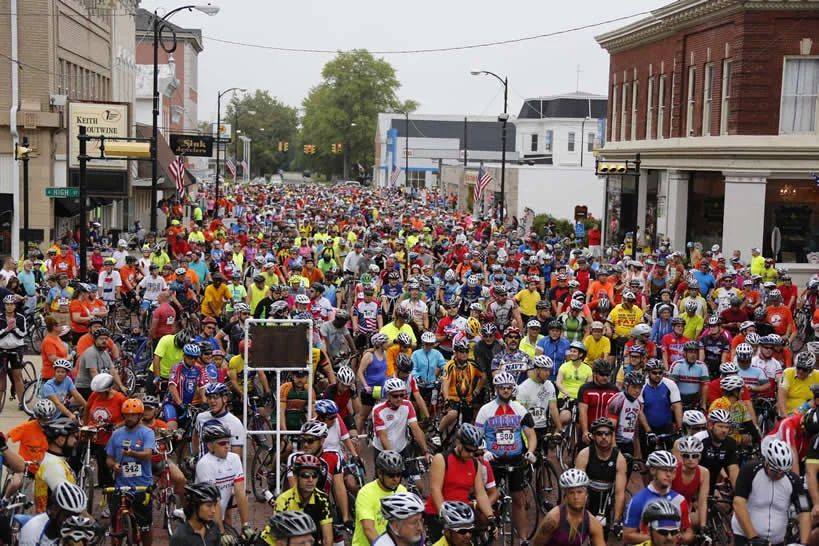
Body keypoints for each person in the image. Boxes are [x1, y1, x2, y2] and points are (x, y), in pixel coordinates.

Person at [475, 371, 538, 542]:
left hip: (515, 460)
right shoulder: (485, 410)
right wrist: (484, 451)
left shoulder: (519, 409)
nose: (505, 390)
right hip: (493, 461)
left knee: (518, 500)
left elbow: (531, 435)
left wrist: (530, 452)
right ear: (496, 389)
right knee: (489, 498)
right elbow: (476, 436)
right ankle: (484, 531)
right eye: (502, 388)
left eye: (508, 388)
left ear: (512, 389)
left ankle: (523, 539)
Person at [731, 438, 811, 546]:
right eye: (774, 471)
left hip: (776, 540)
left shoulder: (794, 480)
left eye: (783, 473)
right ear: (767, 461)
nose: (778, 475)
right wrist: (753, 537)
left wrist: (804, 543)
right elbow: (738, 503)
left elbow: (804, 511)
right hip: (746, 536)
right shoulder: (750, 470)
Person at [424, 424, 495, 542]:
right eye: (468, 450)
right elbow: (436, 490)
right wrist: (444, 515)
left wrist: (490, 517)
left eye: (474, 451)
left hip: (462, 518)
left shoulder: (475, 464)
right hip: (439, 513)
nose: (472, 454)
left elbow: (481, 493)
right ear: (458, 443)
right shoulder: (441, 459)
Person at [105, 398, 155, 546]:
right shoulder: (116, 434)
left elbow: (147, 454)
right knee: (115, 527)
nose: (130, 418)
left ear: (140, 416)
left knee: (145, 526)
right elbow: (109, 458)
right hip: (121, 486)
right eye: (127, 415)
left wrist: (132, 454)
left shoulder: (147, 433)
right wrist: (113, 465)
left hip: (141, 487)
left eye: (133, 415)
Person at [622, 450, 693, 545]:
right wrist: (658, 537)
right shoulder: (637, 500)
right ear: (652, 470)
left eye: (672, 470)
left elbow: (689, 533)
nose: (669, 474)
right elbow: (627, 536)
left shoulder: (680, 500)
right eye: (664, 470)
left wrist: (678, 538)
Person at [195, 423, 251, 541]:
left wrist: (245, 525)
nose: (227, 446)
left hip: (218, 513)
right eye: (222, 443)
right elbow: (214, 500)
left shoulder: (234, 459)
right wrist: (220, 533)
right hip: (203, 519)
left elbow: (240, 492)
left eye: (228, 442)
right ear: (210, 446)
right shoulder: (205, 464)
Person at [575, 418, 628, 535]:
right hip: (587, 497)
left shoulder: (619, 459)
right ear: (593, 436)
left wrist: (616, 521)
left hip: (606, 501)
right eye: (599, 433)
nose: (604, 437)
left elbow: (620, 493)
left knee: (602, 536)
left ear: (612, 436)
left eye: (607, 433)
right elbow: (577, 487)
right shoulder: (584, 454)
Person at [531, 469, 605, 546]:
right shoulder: (553, 518)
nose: (576, 497)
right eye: (571, 493)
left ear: (586, 494)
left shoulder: (592, 522)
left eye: (579, 492)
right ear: (566, 496)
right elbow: (537, 544)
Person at [352, 451, 408, 546]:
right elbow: (369, 529)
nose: (396, 479)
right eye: (391, 475)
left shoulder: (402, 491)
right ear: (379, 473)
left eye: (398, 474)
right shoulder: (365, 493)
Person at [19, 481, 88, 546]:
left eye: (76, 515)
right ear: (55, 510)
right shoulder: (32, 532)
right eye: (67, 516)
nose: (72, 521)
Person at [34, 417, 80, 514]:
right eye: (72, 437)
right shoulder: (53, 466)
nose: (75, 441)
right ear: (61, 440)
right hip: (53, 522)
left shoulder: (56, 460)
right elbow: (69, 500)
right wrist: (91, 520)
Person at [693, 409, 740, 490]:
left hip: (712, 485)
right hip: (695, 483)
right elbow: (690, 467)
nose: (724, 430)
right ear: (711, 425)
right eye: (720, 426)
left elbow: (733, 469)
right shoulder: (699, 439)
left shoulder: (730, 443)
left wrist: (738, 494)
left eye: (727, 427)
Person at [672, 436, 709, 531]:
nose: (691, 459)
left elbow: (702, 502)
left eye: (695, 455)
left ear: (700, 456)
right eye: (687, 456)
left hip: (685, 510)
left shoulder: (704, 472)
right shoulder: (673, 470)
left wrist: (703, 527)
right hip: (668, 509)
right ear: (681, 456)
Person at [0, 293, 27, 408]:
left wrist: (15, 328)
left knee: (17, 375)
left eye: (11, 304)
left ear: (15, 306)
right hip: (2, 348)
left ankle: (22, 402)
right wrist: (6, 329)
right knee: (1, 375)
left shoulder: (21, 318)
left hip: (16, 349)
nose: (9, 307)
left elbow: (23, 334)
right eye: (7, 304)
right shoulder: (0, 317)